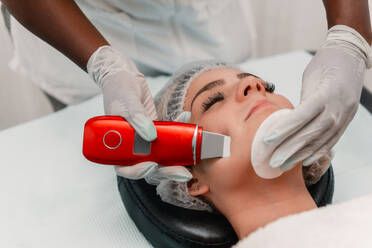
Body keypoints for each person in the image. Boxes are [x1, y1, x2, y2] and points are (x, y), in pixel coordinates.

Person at [1, 0, 371, 182]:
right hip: (87, 26)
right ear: (195, 186)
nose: (254, 84)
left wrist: (351, 35)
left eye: (264, 86)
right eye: (213, 99)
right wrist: (103, 64)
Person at [144, 60, 332, 240]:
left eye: (268, 87)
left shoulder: (361, 218)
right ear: (191, 179)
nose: (253, 83)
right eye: (214, 100)